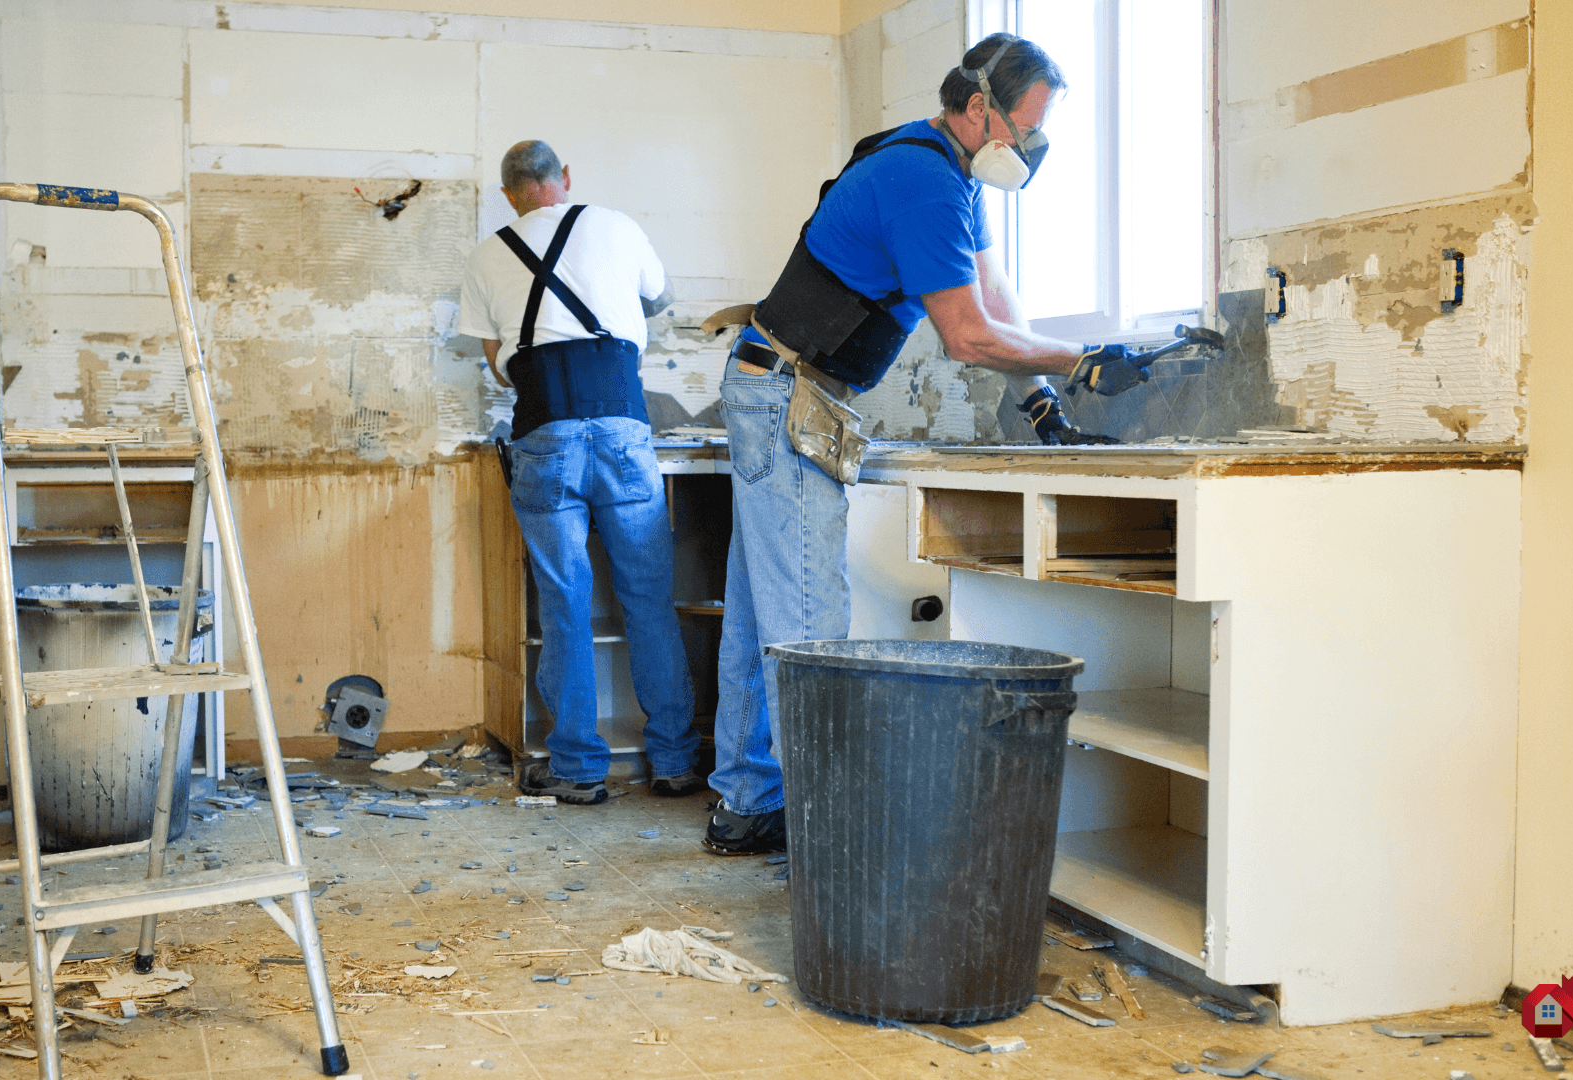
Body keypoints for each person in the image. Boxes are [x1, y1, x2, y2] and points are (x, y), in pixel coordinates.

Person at [701, 34, 1159, 855]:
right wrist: (1081, 357)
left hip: (778, 386)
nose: (1033, 148)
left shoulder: (949, 175)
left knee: (761, 614)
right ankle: (825, 832)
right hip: (787, 393)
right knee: (809, 622)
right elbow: (967, 337)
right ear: (979, 108)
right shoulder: (922, 180)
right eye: (1028, 129)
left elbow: (997, 301)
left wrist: (1046, 401)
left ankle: (748, 803)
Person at [457, 140, 702, 805]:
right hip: (624, 428)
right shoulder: (617, 225)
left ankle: (576, 770)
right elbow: (660, 299)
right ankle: (675, 762)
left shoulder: (486, 257)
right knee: (649, 599)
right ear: (564, 179)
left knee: (564, 603)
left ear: (508, 194)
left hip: (545, 434)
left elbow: (498, 366)